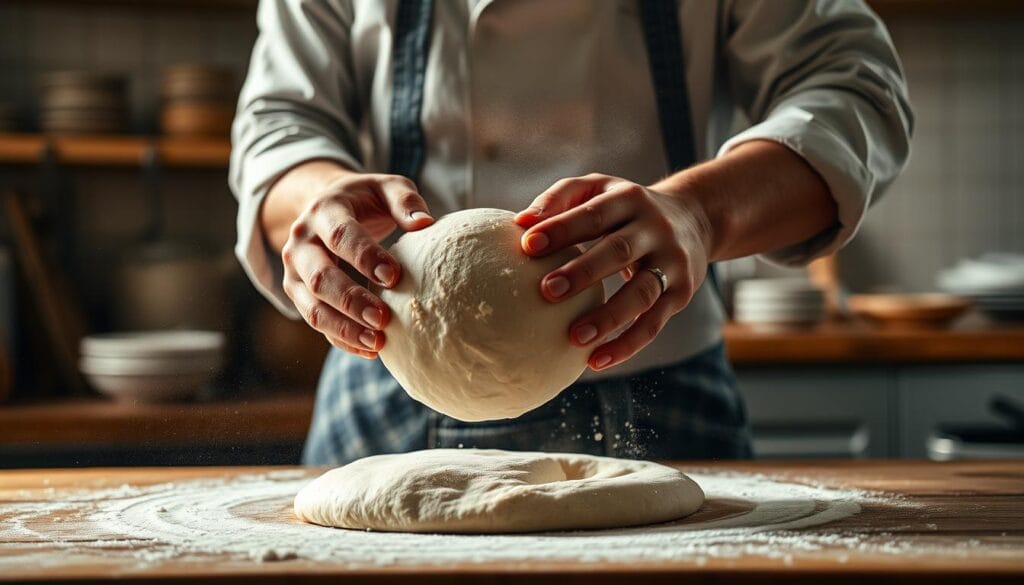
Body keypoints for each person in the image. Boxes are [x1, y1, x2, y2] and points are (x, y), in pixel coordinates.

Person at [230, 0, 912, 466]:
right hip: (382, 369)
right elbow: (280, 120)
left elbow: (856, 86)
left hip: (657, 382)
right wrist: (316, 201)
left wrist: (701, 213)